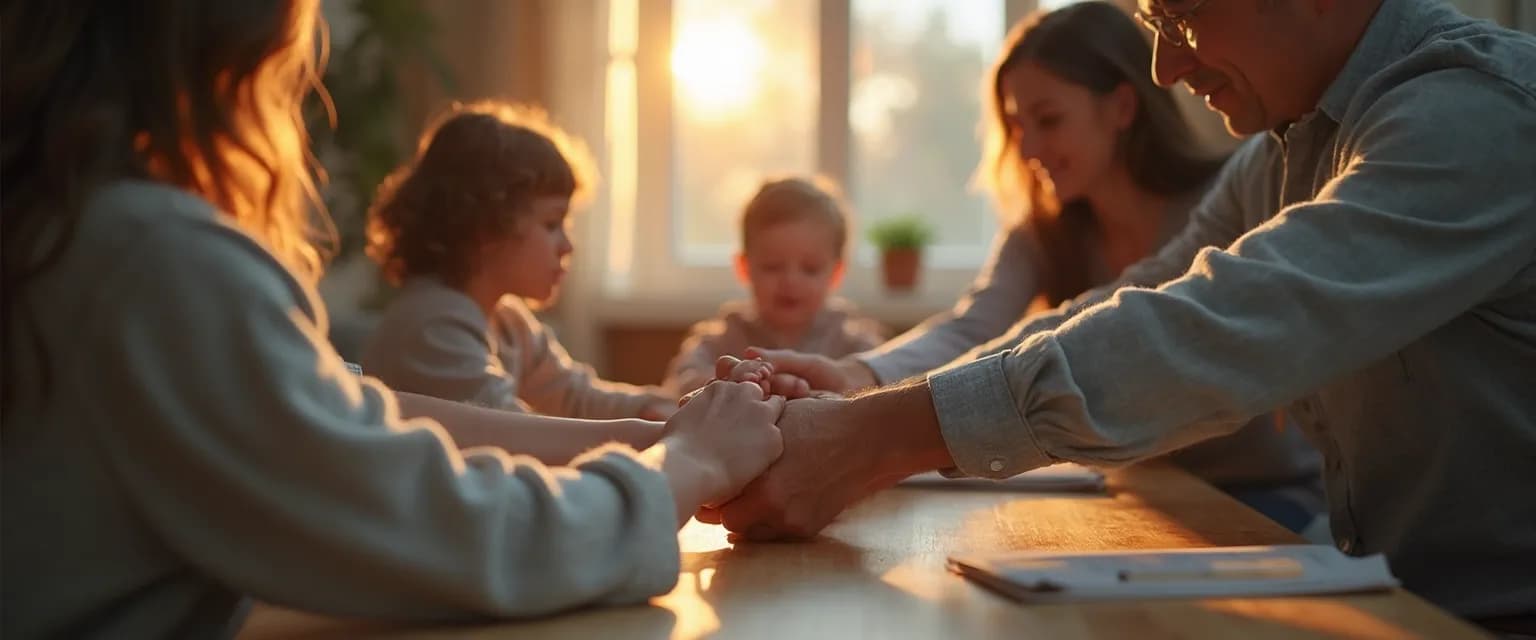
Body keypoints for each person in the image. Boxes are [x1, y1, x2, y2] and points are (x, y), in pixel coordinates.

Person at [724, 0, 1536, 628]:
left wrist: (870, 437)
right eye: (1153, 20)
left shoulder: (1479, 116)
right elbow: (1126, 300)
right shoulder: (1279, 153)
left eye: (1181, 13)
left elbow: (1212, 325)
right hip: (1396, 596)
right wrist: (867, 401)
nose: (1166, 63)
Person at [0, 2, 784, 637]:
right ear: (238, 54)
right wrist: (689, 468)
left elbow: (360, 420)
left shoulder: (62, 233)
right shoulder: (150, 262)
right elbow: (464, 535)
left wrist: (661, 435)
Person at [754, 2, 1323, 531]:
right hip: (1128, 492)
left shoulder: (1237, 191)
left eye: (1048, 120)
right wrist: (863, 378)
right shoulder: (1042, 232)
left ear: (1122, 107)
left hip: (1261, 494)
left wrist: (875, 419)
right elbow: (979, 325)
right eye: (1017, 125)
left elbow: (1148, 323)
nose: (1028, 148)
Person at [362, 101, 677, 421]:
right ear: (486, 229)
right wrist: (648, 431)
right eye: (552, 224)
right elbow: (516, 431)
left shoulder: (509, 322)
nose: (568, 246)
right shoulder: (433, 325)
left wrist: (670, 406)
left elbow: (574, 397)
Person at [661, 176, 886, 395]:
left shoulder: (857, 346)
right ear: (744, 267)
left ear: (836, 273)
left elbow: (882, 395)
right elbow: (680, 385)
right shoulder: (722, 340)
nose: (790, 281)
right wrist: (733, 380)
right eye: (772, 266)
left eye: (810, 269)